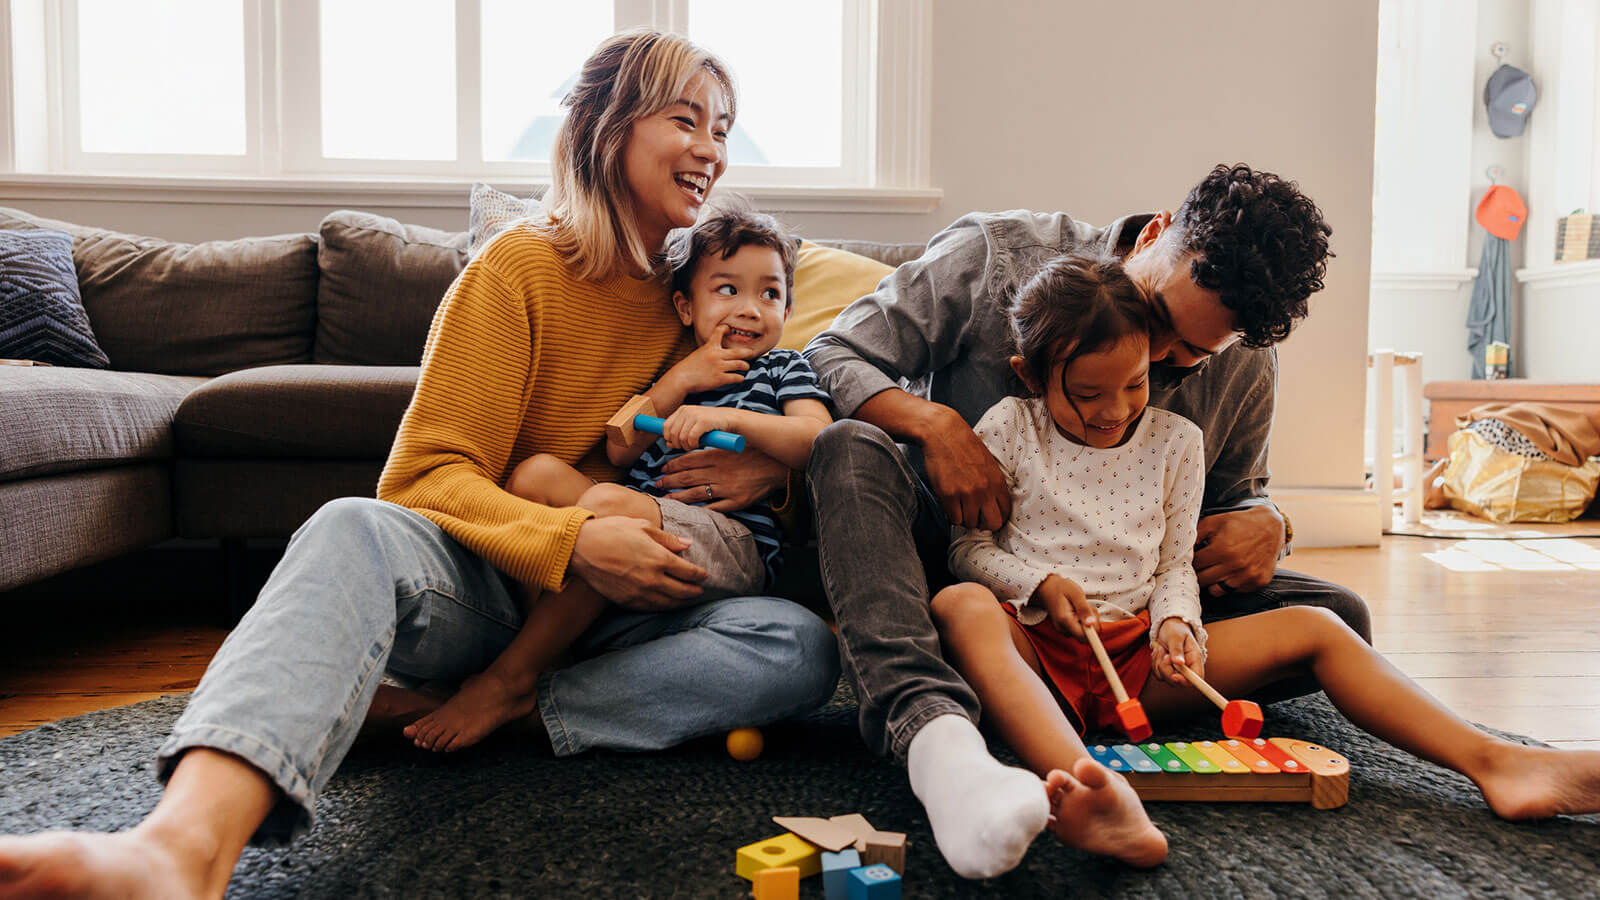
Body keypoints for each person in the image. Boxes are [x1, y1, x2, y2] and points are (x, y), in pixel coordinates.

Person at [0, 29, 839, 898]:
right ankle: (177, 846)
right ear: (609, 125)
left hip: (626, 613)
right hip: (494, 588)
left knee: (797, 649)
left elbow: (760, 441)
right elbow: (424, 475)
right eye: (686, 119)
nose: (711, 149)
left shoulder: (699, 298)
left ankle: (499, 705)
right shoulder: (518, 268)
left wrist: (771, 482)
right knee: (350, 527)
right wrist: (567, 541)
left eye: (724, 128)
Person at [932, 253, 1600, 871]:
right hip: (1035, 653)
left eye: (1133, 385)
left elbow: (1173, 568)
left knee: (1318, 625)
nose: (1113, 412)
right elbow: (969, 551)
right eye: (1086, 393)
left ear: (1152, 362)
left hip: (1136, 661)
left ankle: (1498, 764)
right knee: (957, 605)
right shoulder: (1009, 429)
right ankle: (1096, 790)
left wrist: (1177, 627)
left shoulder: (1176, 443)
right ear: (1031, 374)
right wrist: (1040, 584)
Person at [801, 164, 1369, 878]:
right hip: (948, 559)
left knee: (1339, 615)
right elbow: (831, 352)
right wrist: (937, 426)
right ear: (1157, 233)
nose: (1157, 361)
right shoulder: (993, 256)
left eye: (1189, 359)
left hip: (1121, 610)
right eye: (1158, 320)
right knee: (848, 449)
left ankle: (1054, 694)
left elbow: (1233, 499)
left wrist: (1270, 521)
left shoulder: (1247, 362)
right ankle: (933, 725)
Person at [404, 208, 832, 753]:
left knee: (608, 501)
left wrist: (732, 420)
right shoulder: (679, 370)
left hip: (729, 543)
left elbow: (817, 439)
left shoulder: (783, 367)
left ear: (788, 308)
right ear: (686, 305)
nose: (749, 309)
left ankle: (512, 678)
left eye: (769, 294)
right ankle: (553, 652)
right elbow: (619, 443)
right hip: (638, 528)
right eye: (727, 290)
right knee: (536, 475)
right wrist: (679, 381)